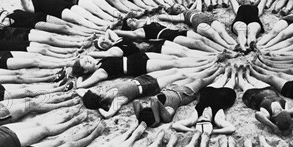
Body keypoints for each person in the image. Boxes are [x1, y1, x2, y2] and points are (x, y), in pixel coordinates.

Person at [77, 65, 216, 118]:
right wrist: (98, 109)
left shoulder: (105, 92)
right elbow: (108, 115)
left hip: (143, 79)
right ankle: (205, 70)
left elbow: (82, 91)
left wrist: (79, 83)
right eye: (95, 90)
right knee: (180, 75)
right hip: (150, 86)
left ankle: (201, 66)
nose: (96, 87)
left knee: (174, 70)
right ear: (98, 97)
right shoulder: (118, 99)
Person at [133, 67, 222, 127]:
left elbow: (136, 102)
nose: (147, 104)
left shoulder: (151, 107)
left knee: (191, 77)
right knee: (201, 81)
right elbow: (154, 101)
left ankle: (212, 67)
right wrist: (156, 121)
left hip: (170, 88)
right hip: (184, 93)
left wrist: (139, 118)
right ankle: (217, 73)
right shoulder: (166, 115)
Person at [71, 52, 215, 88]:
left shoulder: (100, 60)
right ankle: (205, 64)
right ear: (85, 71)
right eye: (85, 63)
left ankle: (206, 58)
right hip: (137, 66)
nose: (87, 60)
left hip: (138, 57)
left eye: (85, 58)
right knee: (174, 63)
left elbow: (92, 55)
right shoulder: (100, 72)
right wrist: (78, 78)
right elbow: (81, 85)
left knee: (172, 57)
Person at [236, 65, 293, 135]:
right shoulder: (286, 110)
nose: (279, 109)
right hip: (268, 90)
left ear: (274, 117)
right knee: (253, 80)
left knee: (243, 84)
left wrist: (273, 126)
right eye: (281, 111)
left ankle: (239, 75)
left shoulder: (268, 114)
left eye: (278, 112)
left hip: (254, 95)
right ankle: (247, 75)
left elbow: (257, 115)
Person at [172, 65, 237, 134]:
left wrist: (193, 130)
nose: (204, 115)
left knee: (220, 80)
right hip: (225, 95)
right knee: (230, 84)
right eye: (206, 118)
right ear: (211, 122)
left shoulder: (195, 117)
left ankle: (226, 74)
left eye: (200, 119)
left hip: (209, 92)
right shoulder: (217, 119)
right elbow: (231, 128)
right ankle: (233, 74)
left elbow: (175, 125)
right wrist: (213, 131)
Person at [114, 18, 228, 53]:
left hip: (175, 31)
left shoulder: (148, 21)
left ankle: (227, 50)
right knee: (197, 43)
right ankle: (218, 53)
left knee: (203, 38)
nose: (131, 20)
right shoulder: (139, 32)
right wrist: (112, 31)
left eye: (131, 19)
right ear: (130, 28)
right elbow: (126, 33)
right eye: (129, 22)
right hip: (169, 37)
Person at [17, 0, 110, 31]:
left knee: (87, 14)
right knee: (80, 19)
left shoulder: (38, 0)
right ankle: (99, 28)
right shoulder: (30, 7)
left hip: (65, 4)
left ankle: (105, 23)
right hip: (58, 11)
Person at [157, 6, 237, 50]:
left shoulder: (195, 9)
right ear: (175, 12)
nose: (179, 8)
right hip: (198, 22)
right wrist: (164, 11)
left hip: (209, 18)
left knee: (222, 32)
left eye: (179, 6)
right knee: (214, 34)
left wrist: (193, 5)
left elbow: (197, 1)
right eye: (176, 9)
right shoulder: (181, 15)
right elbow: (164, 17)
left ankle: (236, 45)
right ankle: (228, 47)